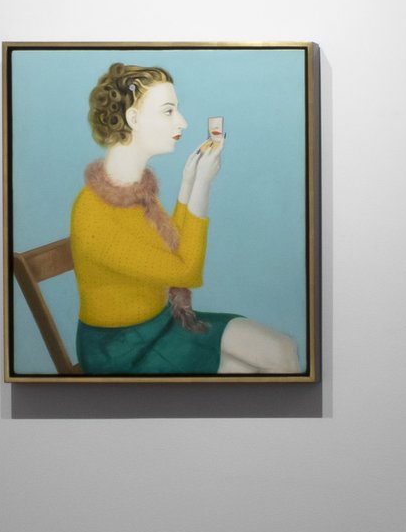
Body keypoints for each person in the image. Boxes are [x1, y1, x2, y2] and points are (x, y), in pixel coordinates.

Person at [69, 63, 301, 376]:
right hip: (120, 350)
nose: (182, 121)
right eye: (168, 111)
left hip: (165, 322)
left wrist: (188, 182)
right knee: (251, 369)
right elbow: (186, 271)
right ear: (133, 118)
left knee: (282, 350)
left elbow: (172, 246)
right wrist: (202, 185)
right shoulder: (93, 212)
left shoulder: (134, 191)